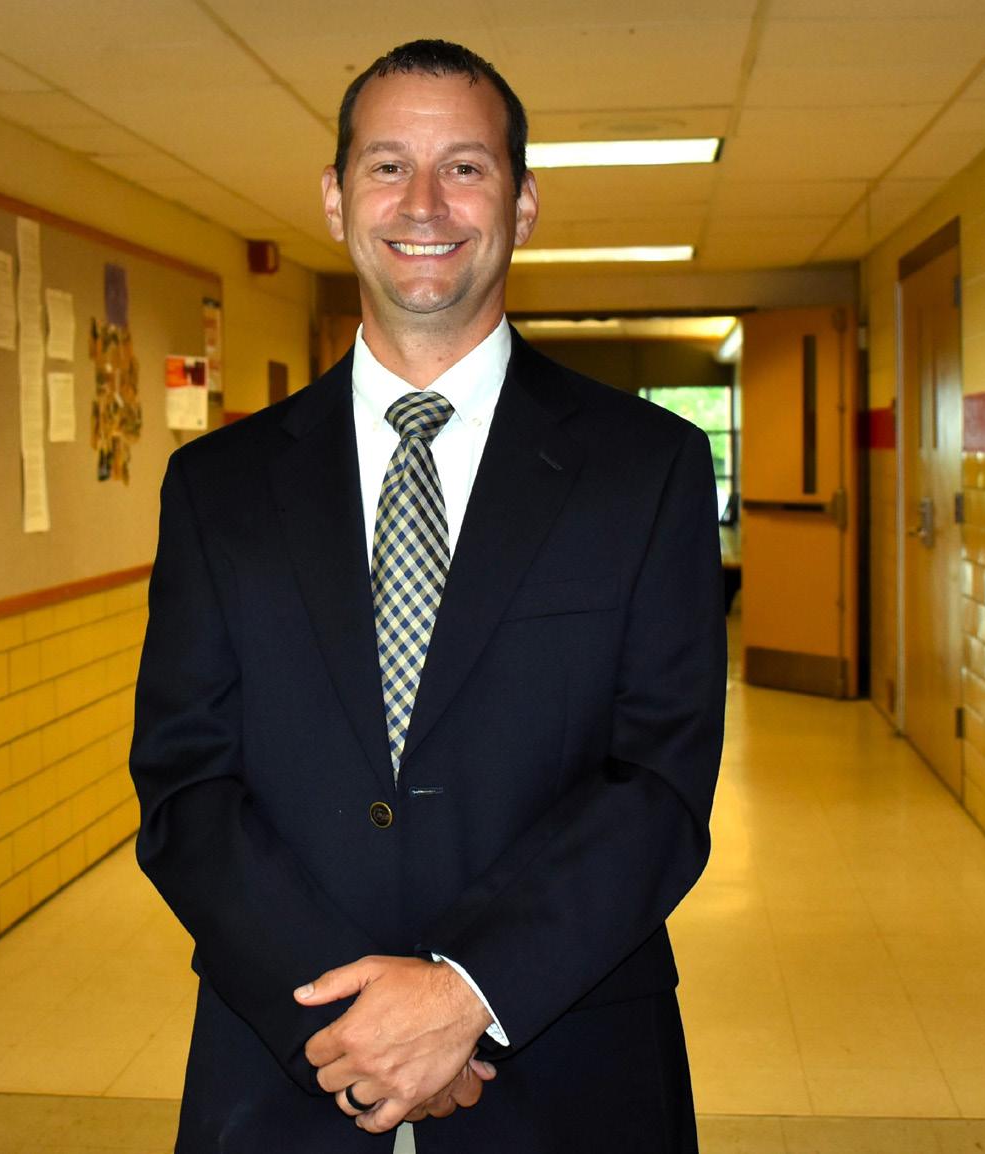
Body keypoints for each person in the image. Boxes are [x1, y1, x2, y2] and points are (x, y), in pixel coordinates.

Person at [130, 38, 725, 1153]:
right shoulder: (219, 487)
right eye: (388, 166)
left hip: (563, 1065)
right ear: (335, 197)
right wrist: (357, 1025)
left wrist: (466, 993)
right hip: (286, 1065)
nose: (423, 203)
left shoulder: (646, 468)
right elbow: (185, 784)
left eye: (465, 166)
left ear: (523, 202)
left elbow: (659, 779)